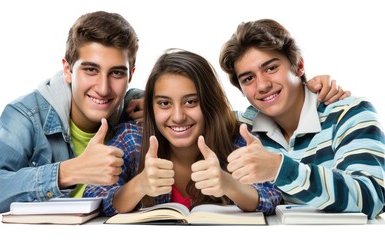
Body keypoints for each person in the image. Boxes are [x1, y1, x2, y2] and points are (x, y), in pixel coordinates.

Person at [0, 11, 144, 219]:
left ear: (131, 76)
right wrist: (67, 172)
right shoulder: (27, 116)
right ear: (67, 70)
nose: (103, 88)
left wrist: (158, 103)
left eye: (117, 73)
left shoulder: (136, 113)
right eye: (91, 70)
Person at [219, 18, 385, 219]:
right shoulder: (242, 127)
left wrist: (280, 168)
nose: (262, 85)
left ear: (298, 66)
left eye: (271, 68)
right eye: (248, 79)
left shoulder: (349, 113)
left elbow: (372, 197)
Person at [83, 49, 283, 215]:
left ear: (210, 103)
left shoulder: (236, 139)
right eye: (164, 103)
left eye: (190, 102)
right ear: (151, 107)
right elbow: (94, 198)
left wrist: (228, 184)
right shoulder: (131, 138)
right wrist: (139, 185)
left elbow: (273, 196)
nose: (178, 116)